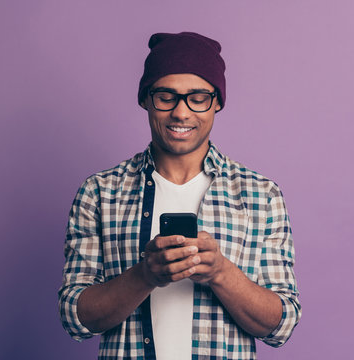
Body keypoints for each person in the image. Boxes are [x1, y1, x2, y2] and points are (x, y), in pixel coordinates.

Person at [59, 31, 301, 360]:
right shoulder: (100, 192)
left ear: (217, 101)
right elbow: (75, 317)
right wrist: (145, 275)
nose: (181, 113)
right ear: (146, 98)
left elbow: (281, 324)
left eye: (197, 97)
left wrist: (220, 272)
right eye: (166, 96)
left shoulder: (261, 195)